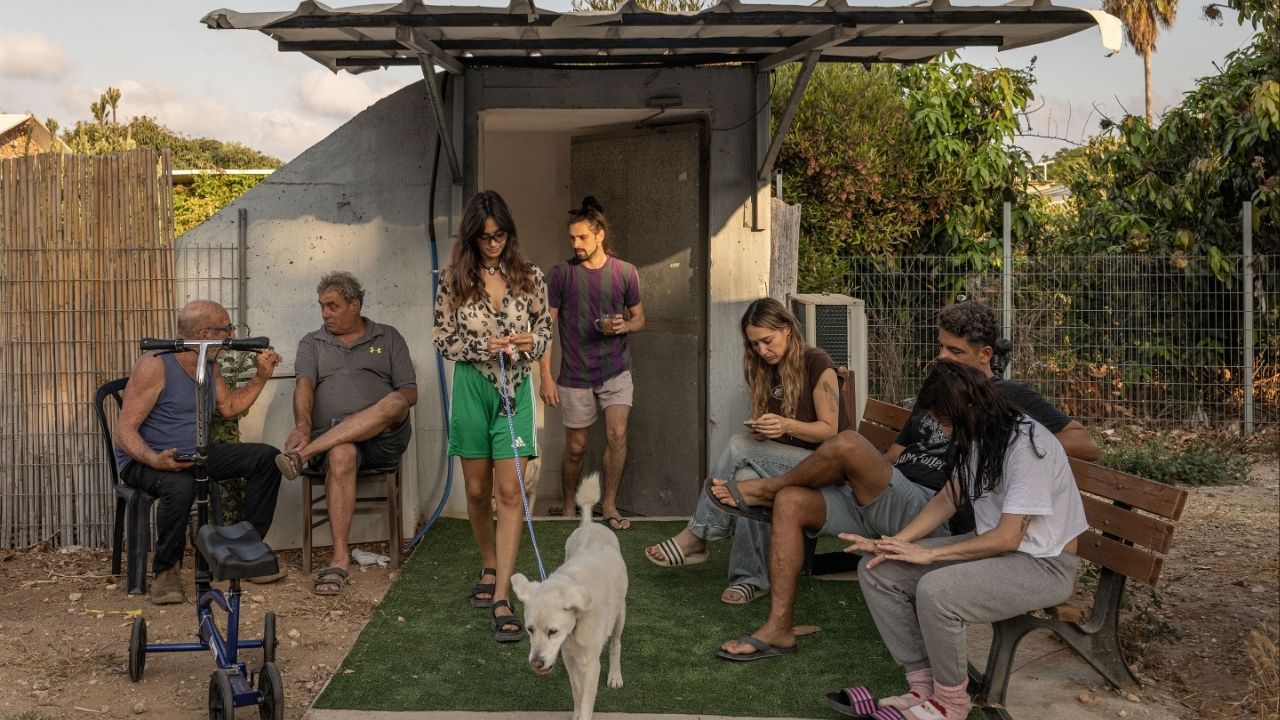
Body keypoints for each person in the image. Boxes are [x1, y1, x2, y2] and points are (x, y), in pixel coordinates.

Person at [709, 299, 1099, 660]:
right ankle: (779, 629)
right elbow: (894, 455)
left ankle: (766, 489)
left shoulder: (1004, 400)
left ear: (985, 356)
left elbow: (1084, 444)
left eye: (955, 351)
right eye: (941, 347)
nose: (942, 357)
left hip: (927, 509)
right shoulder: (939, 390)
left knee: (846, 443)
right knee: (793, 501)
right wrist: (859, 480)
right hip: (890, 493)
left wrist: (1010, 446)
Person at [831, 359, 1086, 720]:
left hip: (1044, 565)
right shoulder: (980, 435)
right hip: (995, 550)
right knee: (878, 568)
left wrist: (929, 555)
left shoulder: (1028, 446)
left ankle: (951, 703)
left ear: (970, 408)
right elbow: (949, 497)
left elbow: (1007, 539)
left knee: (938, 591)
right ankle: (922, 686)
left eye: (944, 421)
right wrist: (895, 544)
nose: (940, 429)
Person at [642, 297, 847, 605]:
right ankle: (750, 579)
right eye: (754, 344)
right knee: (745, 478)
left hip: (825, 469)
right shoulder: (764, 367)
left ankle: (698, 534)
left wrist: (785, 426)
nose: (761, 350)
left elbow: (830, 431)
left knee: (738, 445)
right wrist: (762, 430)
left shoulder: (816, 362)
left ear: (787, 329)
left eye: (767, 340)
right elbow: (775, 433)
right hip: (785, 465)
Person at [433, 190, 553, 643]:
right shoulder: (454, 279)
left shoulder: (530, 275)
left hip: (516, 389)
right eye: (484, 237)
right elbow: (442, 338)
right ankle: (488, 562)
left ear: (509, 233)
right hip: (472, 386)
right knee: (476, 489)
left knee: (510, 491)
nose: (493, 243)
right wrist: (482, 346)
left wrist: (531, 343)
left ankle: (502, 595)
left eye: (499, 235)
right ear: (471, 237)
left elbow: (545, 330)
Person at [113, 300, 285, 605]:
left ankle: (245, 554)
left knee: (266, 459)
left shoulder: (209, 363)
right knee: (181, 485)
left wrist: (260, 376)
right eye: (227, 329)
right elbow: (124, 431)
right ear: (205, 335)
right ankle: (166, 570)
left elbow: (228, 407)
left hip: (196, 454)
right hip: (146, 459)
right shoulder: (155, 364)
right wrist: (155, 459)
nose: (232, 336)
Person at [276, 272, 417, 596]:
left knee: (395, 401)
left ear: (355, 305)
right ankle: (340, 559)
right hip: (333, 441)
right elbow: (303, 386)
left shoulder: (388, 337)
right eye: (322, 306)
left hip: (383, 439)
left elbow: (409, 393)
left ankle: (302, 455)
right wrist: (303, 426)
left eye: (332, 306)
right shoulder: (312, 343)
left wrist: (365, 416)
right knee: (341, 451)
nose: (325, 313)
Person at [538, 196, 645, 530]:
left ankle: (609, 505)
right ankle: (569, 505)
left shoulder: (625, 272)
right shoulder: (560, 275)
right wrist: (545, 376)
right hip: (575, 374)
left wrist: (624, 326)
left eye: (582, 237)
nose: (576, 244)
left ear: (600, 234)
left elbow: (639, 319)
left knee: (617, 435)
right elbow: (545, 328)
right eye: (572, 238)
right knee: (576, 447)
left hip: (616, 369)